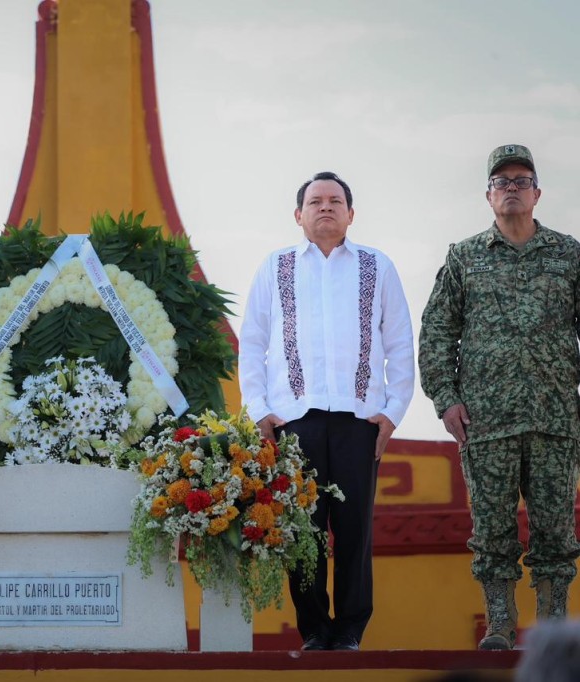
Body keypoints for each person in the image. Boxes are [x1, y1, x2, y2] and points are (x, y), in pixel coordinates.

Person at [239, 171, 415, 651]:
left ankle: (351, 630)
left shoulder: (377, 266)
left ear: (351, 214)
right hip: (294, 420)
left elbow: (400, 342)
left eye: (335, 201)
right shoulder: (275, 267)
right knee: (304, 530)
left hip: (360, 419)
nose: (325, 208)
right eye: (315, 201)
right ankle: (315, 629)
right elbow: (252, 342)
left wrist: (393, 411)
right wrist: (259, 410)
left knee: (355, 528)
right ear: (298, 215)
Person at [419, 144, 580, 650]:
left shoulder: (568, 255)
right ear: (488, 195)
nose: (512, 188)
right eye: (502, 181)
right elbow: (437, 331)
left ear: (537, 194)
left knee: (556, 533)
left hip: (555, 418)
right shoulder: (465, 257)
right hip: (485, 422)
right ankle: (500, 625)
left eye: (521, 180)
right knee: (491, 532)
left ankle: (552, 630)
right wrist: (446, 398)